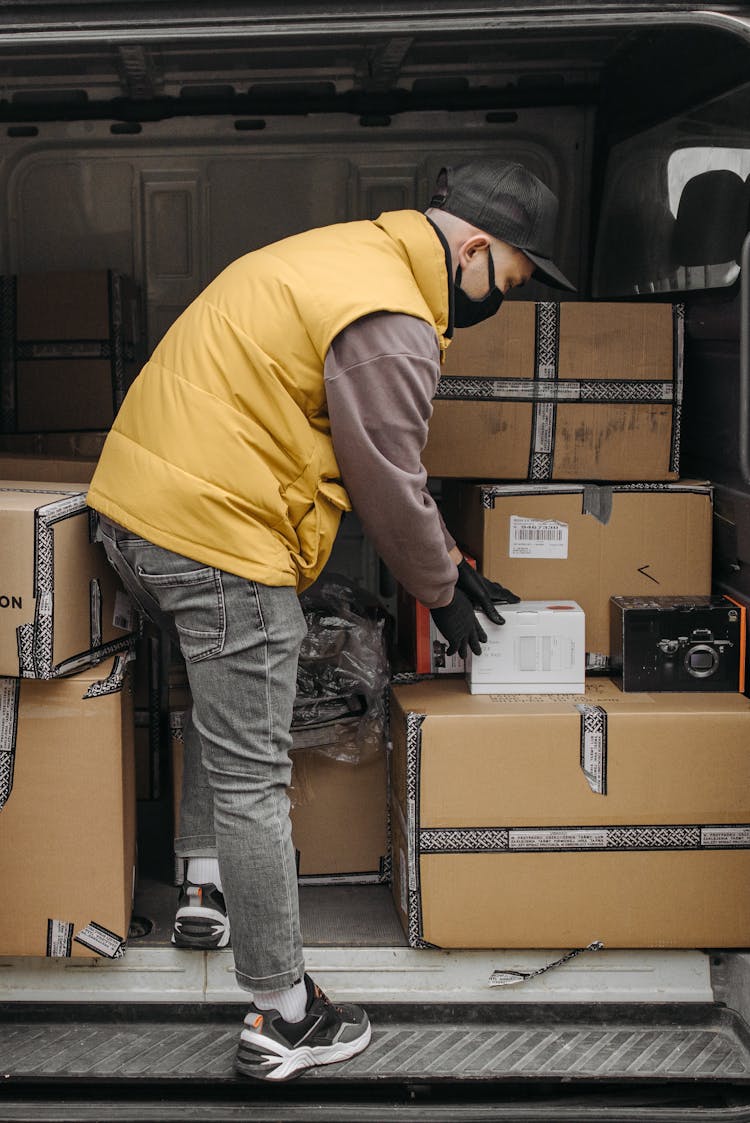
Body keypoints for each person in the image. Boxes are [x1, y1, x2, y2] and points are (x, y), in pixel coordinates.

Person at [86, 158, 575, 1082]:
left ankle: (203, 881)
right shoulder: (393, 318)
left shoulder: (350, 254)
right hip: (215, 538)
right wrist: (441, 585)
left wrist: (444, 566)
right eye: (505, 284)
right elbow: (386, 476)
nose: (495, 304)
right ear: (473, 247)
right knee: (254, 771)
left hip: (137, 519)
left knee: (216, 699)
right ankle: (283, 1012)